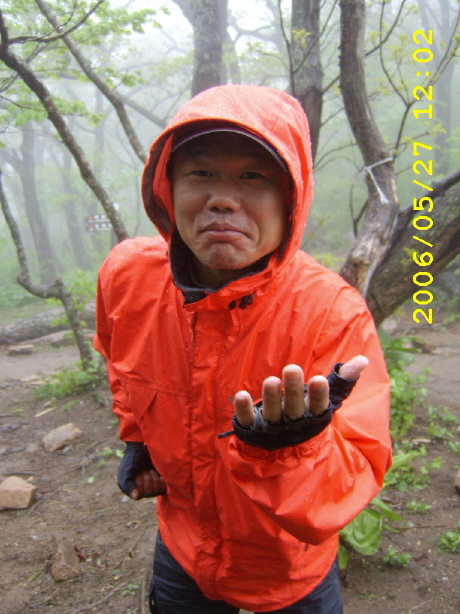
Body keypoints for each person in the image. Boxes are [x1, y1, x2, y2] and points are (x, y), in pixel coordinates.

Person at [94, 84, 392, 614]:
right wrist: (138, 438)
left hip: (289, 567)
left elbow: (356, 474)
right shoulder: (128, 278)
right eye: (200, 173)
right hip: (184, 548)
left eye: (253, 176)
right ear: (167, 188)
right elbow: (122, 365)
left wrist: (292, 450)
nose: (222, 199)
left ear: (291, 199)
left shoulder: (329, 313)